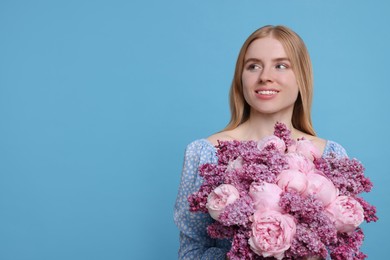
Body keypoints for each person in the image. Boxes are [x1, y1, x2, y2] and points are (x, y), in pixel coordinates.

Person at [174, 25, 347, 259]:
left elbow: (341, 248)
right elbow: (192, 249)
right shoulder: (205, 153)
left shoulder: (330, 155)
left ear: (301, 78)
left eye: (281, 65)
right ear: (241, 78)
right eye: (253, 66)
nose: (265, 76)